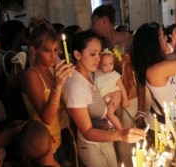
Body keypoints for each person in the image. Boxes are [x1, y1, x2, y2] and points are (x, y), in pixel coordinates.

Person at [61, 30, 146, 167]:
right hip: (93, 148)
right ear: (77, 54)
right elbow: (87, 131)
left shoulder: (90, 74)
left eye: (99, 53)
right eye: (93, 54)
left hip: (104, 142)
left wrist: (117, 94)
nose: (98, 59)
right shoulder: (75, 87)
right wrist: (121, 135)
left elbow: (111, 83)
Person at [131, 7, 176, 140]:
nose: (165, 38)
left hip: (169, 123)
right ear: (153, 43)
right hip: (162, 129)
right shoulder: (156, 69)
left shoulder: (157, 63)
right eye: (161, 36)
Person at [91, 4, 146, 166]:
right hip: (106, 99)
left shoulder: (127, 40)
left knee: (126, 142)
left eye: (94, 22)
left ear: (104, 21)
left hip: (128, 95)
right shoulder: (98, 46)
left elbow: (139, 74)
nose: (92, 27)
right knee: (114, 138)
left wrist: (141, 111)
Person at [21, 21, 77, 167]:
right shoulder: (31, 75)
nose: (53, 55)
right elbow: (47, 117)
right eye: (47, 51)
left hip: (60, 139)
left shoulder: (51, 71)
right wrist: (57, 86)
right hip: (43, 148)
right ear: (34, 50)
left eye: (55, 50)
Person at [94, 48, 130, 130]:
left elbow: (122, 87)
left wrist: (125, 100)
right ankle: (113, 126)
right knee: (107, 114)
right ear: (99, 64)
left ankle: (120, 129)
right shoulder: (97, 72)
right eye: (105, 65)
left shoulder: (115, 75)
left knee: (109, 114)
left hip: (113, 96)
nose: (108, 67)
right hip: (103, 98)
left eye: (111, 64)